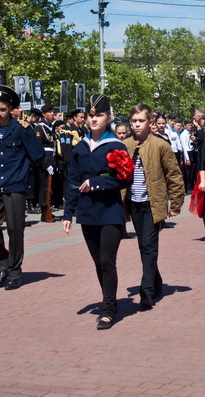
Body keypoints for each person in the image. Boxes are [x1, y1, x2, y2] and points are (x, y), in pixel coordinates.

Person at [62, 94, 132, 329]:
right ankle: (108, 300)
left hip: (110, 211)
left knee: (107, 260)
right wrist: (67, 213)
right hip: (88, 212)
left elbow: (124, 179)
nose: (94, 119)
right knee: (97, 262)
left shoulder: (116, 145)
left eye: (99, 115)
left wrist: (98, 183)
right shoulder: (80, 147)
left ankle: (109, 309)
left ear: (108, 117)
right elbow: (72, 181)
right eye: (91, 115)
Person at [0, 85, 45, 290]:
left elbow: (38, 155)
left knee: (15, 229)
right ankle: (2, 266)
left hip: (15, 184)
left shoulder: (23, 130)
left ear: (10, 109)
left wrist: (23, 173)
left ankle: (15, 271)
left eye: (3, 109)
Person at [122, 104, 184, 309]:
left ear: (150, 123)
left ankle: (146, 291)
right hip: (134, 203)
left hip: (152, 203)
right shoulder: (125, 145)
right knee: (143, 246)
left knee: (149, 245)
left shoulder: (160, 145)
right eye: (134, 121)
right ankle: (156, 283)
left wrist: (175, 203)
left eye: (141, 121)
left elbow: (174, 174)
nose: (137, 124)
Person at [34, 104, 57, 221]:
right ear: (44, 114)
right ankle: (44, 211)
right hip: (44, 160)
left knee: (50, 187)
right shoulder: (40, 127)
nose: (52, 113)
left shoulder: (50, 127)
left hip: (51, 158)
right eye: (50, 112)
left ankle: (49, 209)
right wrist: (46, 164)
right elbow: (38, 148)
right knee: (44, 187)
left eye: (53, 112)